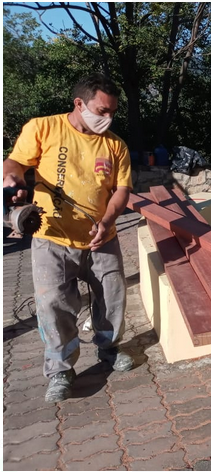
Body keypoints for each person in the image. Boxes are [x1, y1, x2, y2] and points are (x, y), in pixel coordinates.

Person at [3, 73, 134, 403]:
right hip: (52, 238)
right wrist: (11, 180)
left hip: (102, 238)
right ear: (79, 103)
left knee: (112, 297)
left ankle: (109, 348)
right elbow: (16, 163)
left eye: (112, 113)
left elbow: (122, 191)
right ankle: (60, 369)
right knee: (54, 306)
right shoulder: (44, 128)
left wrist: (106, 221)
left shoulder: (115, 145)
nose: (107, 118)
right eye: (101, 110)